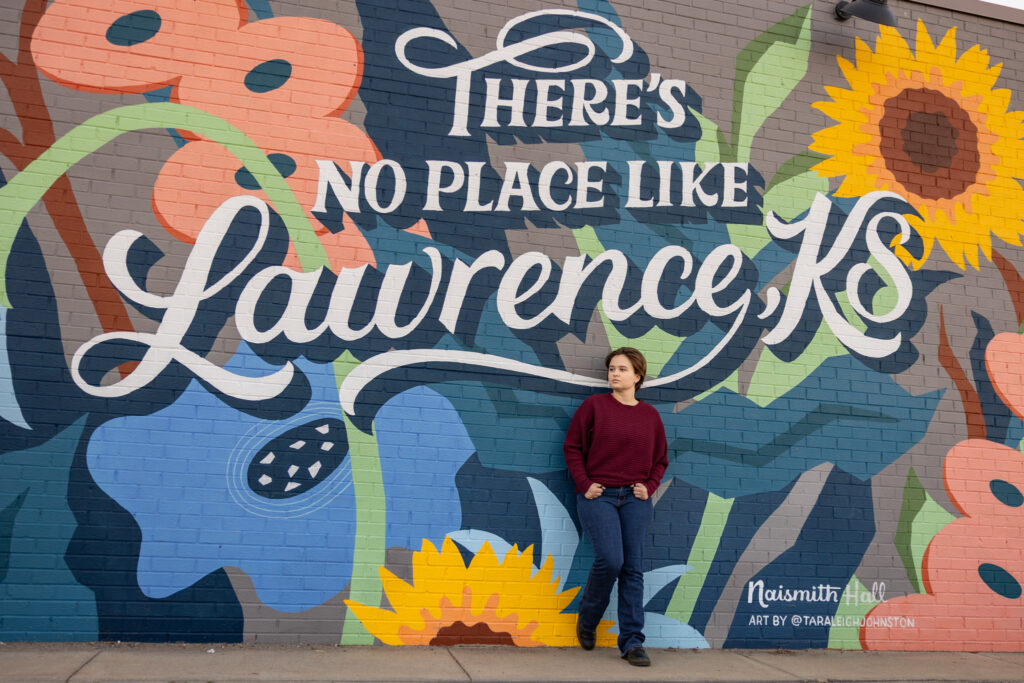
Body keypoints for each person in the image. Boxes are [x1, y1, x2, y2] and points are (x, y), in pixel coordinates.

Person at [563, 347, 668, 667]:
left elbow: (661, 460)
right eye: (611, 368)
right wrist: (585, 484)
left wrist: (648, 487)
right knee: (610, 560)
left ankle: (632, 642)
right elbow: (572, 448)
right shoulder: (594, 406)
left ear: (638, 376)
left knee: (632, 569)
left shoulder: (650, 416)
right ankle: (589, 616)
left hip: (635, 500)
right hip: (600, 496)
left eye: (622, 369)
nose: (614, 374)